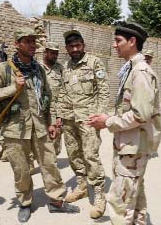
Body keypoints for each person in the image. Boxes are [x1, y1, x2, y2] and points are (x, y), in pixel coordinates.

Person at [0, 27, 78, 223]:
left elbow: (48, 97)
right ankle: (25, 202)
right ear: (17, 44)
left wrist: (51, 122)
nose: (32, 45)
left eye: (34, 42)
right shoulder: (4, 69)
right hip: (15, 130)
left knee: (50, 164)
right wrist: (13, 88)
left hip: (40, 127)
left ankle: (56, 201)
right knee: (21, 169)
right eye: (27, 41)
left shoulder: (39, 69)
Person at [87, 21, 161, 225]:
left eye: (118, 40)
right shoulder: (132, 69)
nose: (114, 45)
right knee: (135, 197)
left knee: (120, 204)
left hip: (133, 148)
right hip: (129, 145)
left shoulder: (141, 72)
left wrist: (107, 121)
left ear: (132, 41)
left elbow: (140, 115)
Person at [57, 29, 110, 219]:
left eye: (78, 45)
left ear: (83, 45)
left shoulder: (94, 62)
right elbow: (63, 92)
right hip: (69, 119)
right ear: (67, 48)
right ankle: (81, 186)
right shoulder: (66, 66)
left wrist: (101, 116)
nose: (75, 49)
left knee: (90, 155)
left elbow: (103, 91)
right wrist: (59, 117)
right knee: (73, 154)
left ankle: (99, 195)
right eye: (71, 46)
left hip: (89, 119)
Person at [40, 41, 64, 156]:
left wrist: (60, 115)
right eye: (52, 53)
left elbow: (64, 91)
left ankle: (52, 163)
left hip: (56, 109)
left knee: (55, 139)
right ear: (45, 52)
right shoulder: (37, 67)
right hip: (40, 110)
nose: (54, 56)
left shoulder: (60, 68)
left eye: (56, 53)